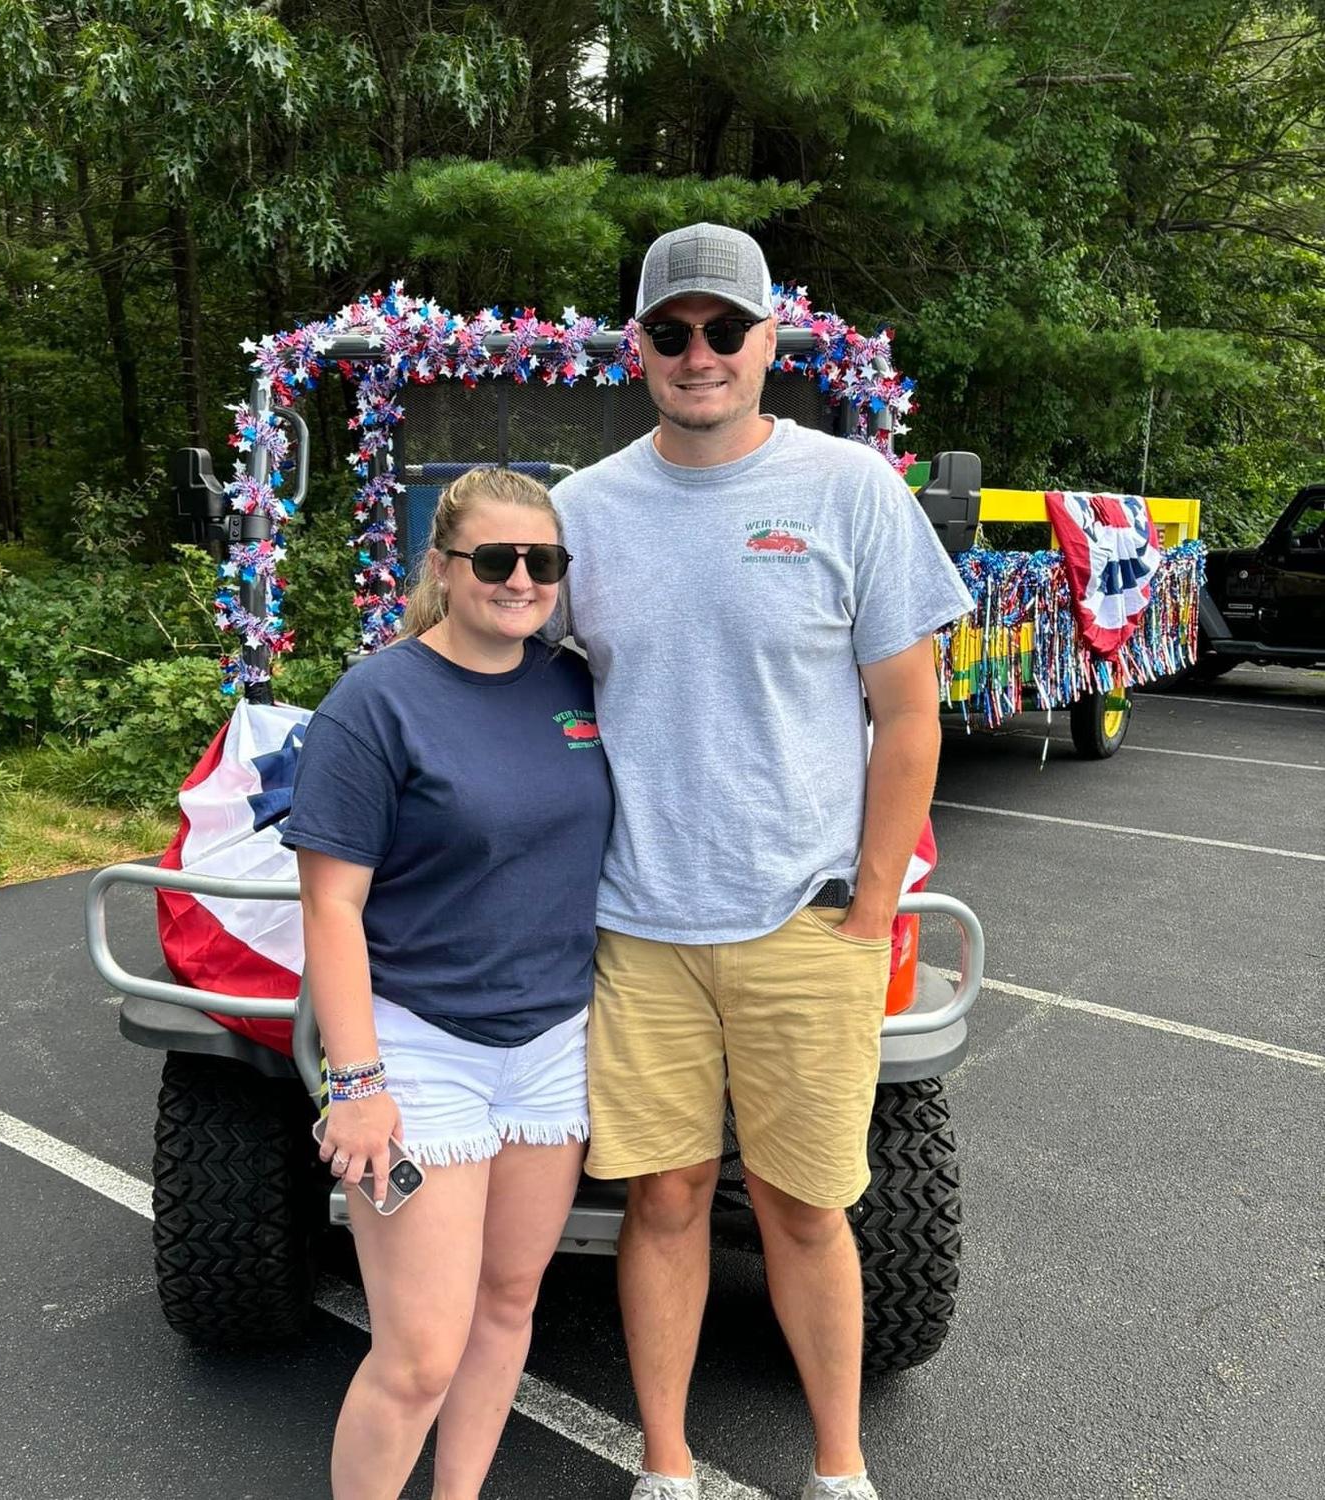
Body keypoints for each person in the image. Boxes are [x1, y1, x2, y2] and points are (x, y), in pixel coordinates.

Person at [549, 223, 974, 1500]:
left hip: (805, 922)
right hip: (639, 928)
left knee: (805, 1208)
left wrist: (871, 910)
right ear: (639, 347)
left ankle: (840, 1469)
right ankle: (667, 1465)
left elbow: (910, 718)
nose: (700, 354)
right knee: (666, 1201)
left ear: (768, 340)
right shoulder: (580, 513)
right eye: (672, 331)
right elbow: (497, 668)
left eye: (725, 329)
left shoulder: (851, 490)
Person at [282, 467, 613, 1500]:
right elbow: (331, 908)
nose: (520, 580)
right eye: (495, 558)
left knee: (507, 1305)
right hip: (420, 1049)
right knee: (420, 1353)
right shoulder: (375, 702)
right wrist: (356, 1083)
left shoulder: (573, 685)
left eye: (542, 560)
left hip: (551, 1047)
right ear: (441, 564)